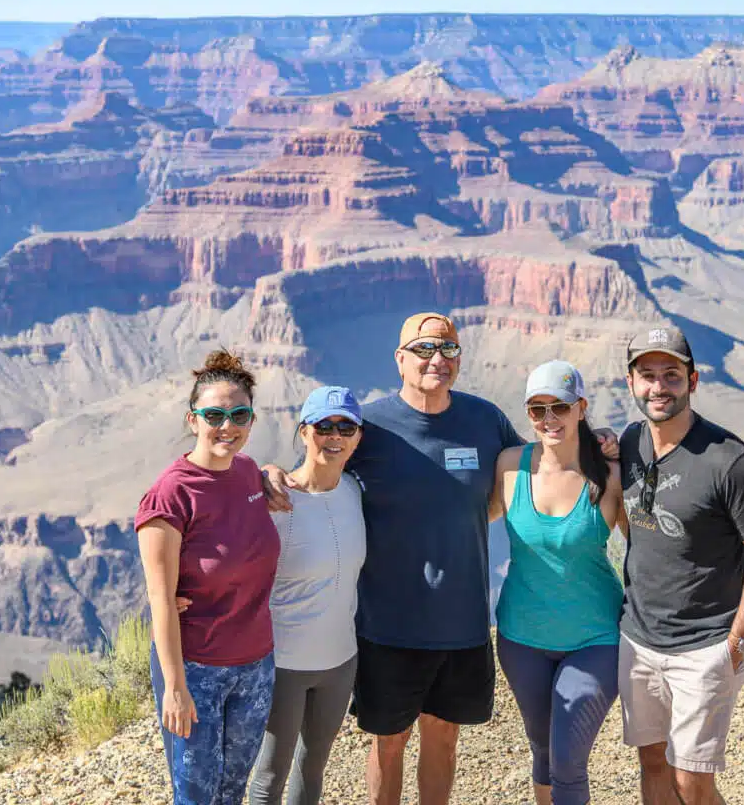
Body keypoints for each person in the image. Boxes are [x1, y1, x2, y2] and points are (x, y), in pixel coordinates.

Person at [264, 312, 522, 805]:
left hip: (463, 620)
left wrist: (598, 442)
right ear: (400, 359)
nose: (437, 359)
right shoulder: (371, 426)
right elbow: (313, 473)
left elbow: (532, 467)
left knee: (444, 738)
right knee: (389, 741)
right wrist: (267, 470)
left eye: (448, 349)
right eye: (424, 349)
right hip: (388, 625)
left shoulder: (485, 419)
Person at [617, 325, 744, 805]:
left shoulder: (731, 461)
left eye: (671, 375)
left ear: (692, 380)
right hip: (639, 639)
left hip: (705, 646)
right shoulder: (629, 443)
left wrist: (738, 640)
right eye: (647, 375)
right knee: (652, 763)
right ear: (631, 382)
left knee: (692, 781)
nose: (658, 387)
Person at [136, 349, 281, 805]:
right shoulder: (171, 495)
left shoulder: (249, 473)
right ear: (193, 419)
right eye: (214, 415)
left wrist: (272, 473)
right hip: (196, 668)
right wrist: (175, 688)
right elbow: (161, 600)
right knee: (197, 796)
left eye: (239, 415)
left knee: (232, 792)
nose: (227, 426)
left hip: (256, 665)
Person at [490, 360, 626, 805]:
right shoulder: (510, 466)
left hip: (594, 638)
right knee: (544, 750)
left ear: (581, 407)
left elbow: (649, 546)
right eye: (537, 409)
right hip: (521, 638)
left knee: (568, 759)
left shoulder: (610, 475)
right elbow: (467, 518)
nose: (549, 418)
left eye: (560, 407)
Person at [249, 386, 368, 805]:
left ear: (358, 437)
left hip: (340, 662)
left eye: (345, 427)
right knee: (269, 776)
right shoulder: (274, 501)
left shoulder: (354, 490)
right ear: (304, 432)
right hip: (285, 664)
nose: (334, 436)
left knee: (313, 767)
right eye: (323, 426)